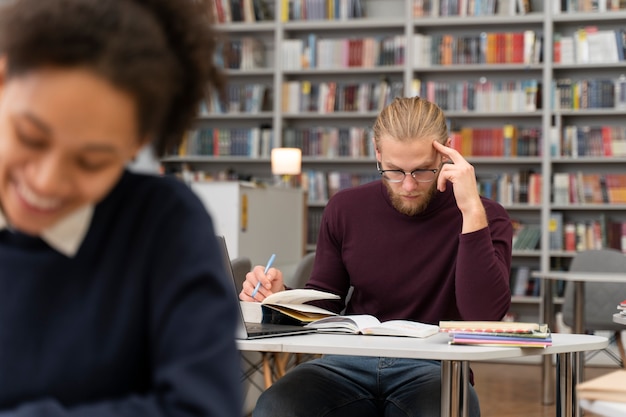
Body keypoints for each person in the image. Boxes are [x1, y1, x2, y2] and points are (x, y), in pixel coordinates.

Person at [0, 1, 242, 416]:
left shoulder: (163, 226)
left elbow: (203, 406)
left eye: (91, 161)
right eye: (30, 138)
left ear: (136, 143)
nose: (46, 181)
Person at [240, 96, 513, 417]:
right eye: (394, 171)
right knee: (277, 407)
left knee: (451, 410)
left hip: (433, 368)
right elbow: (326, 305)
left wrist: (469, 209)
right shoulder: (346, 208)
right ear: (377, 153)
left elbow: (485, 317)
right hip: (347, 362)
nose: (408, 185)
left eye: (423, 170)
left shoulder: (484, 216)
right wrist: (281, 299)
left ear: (447, 153)